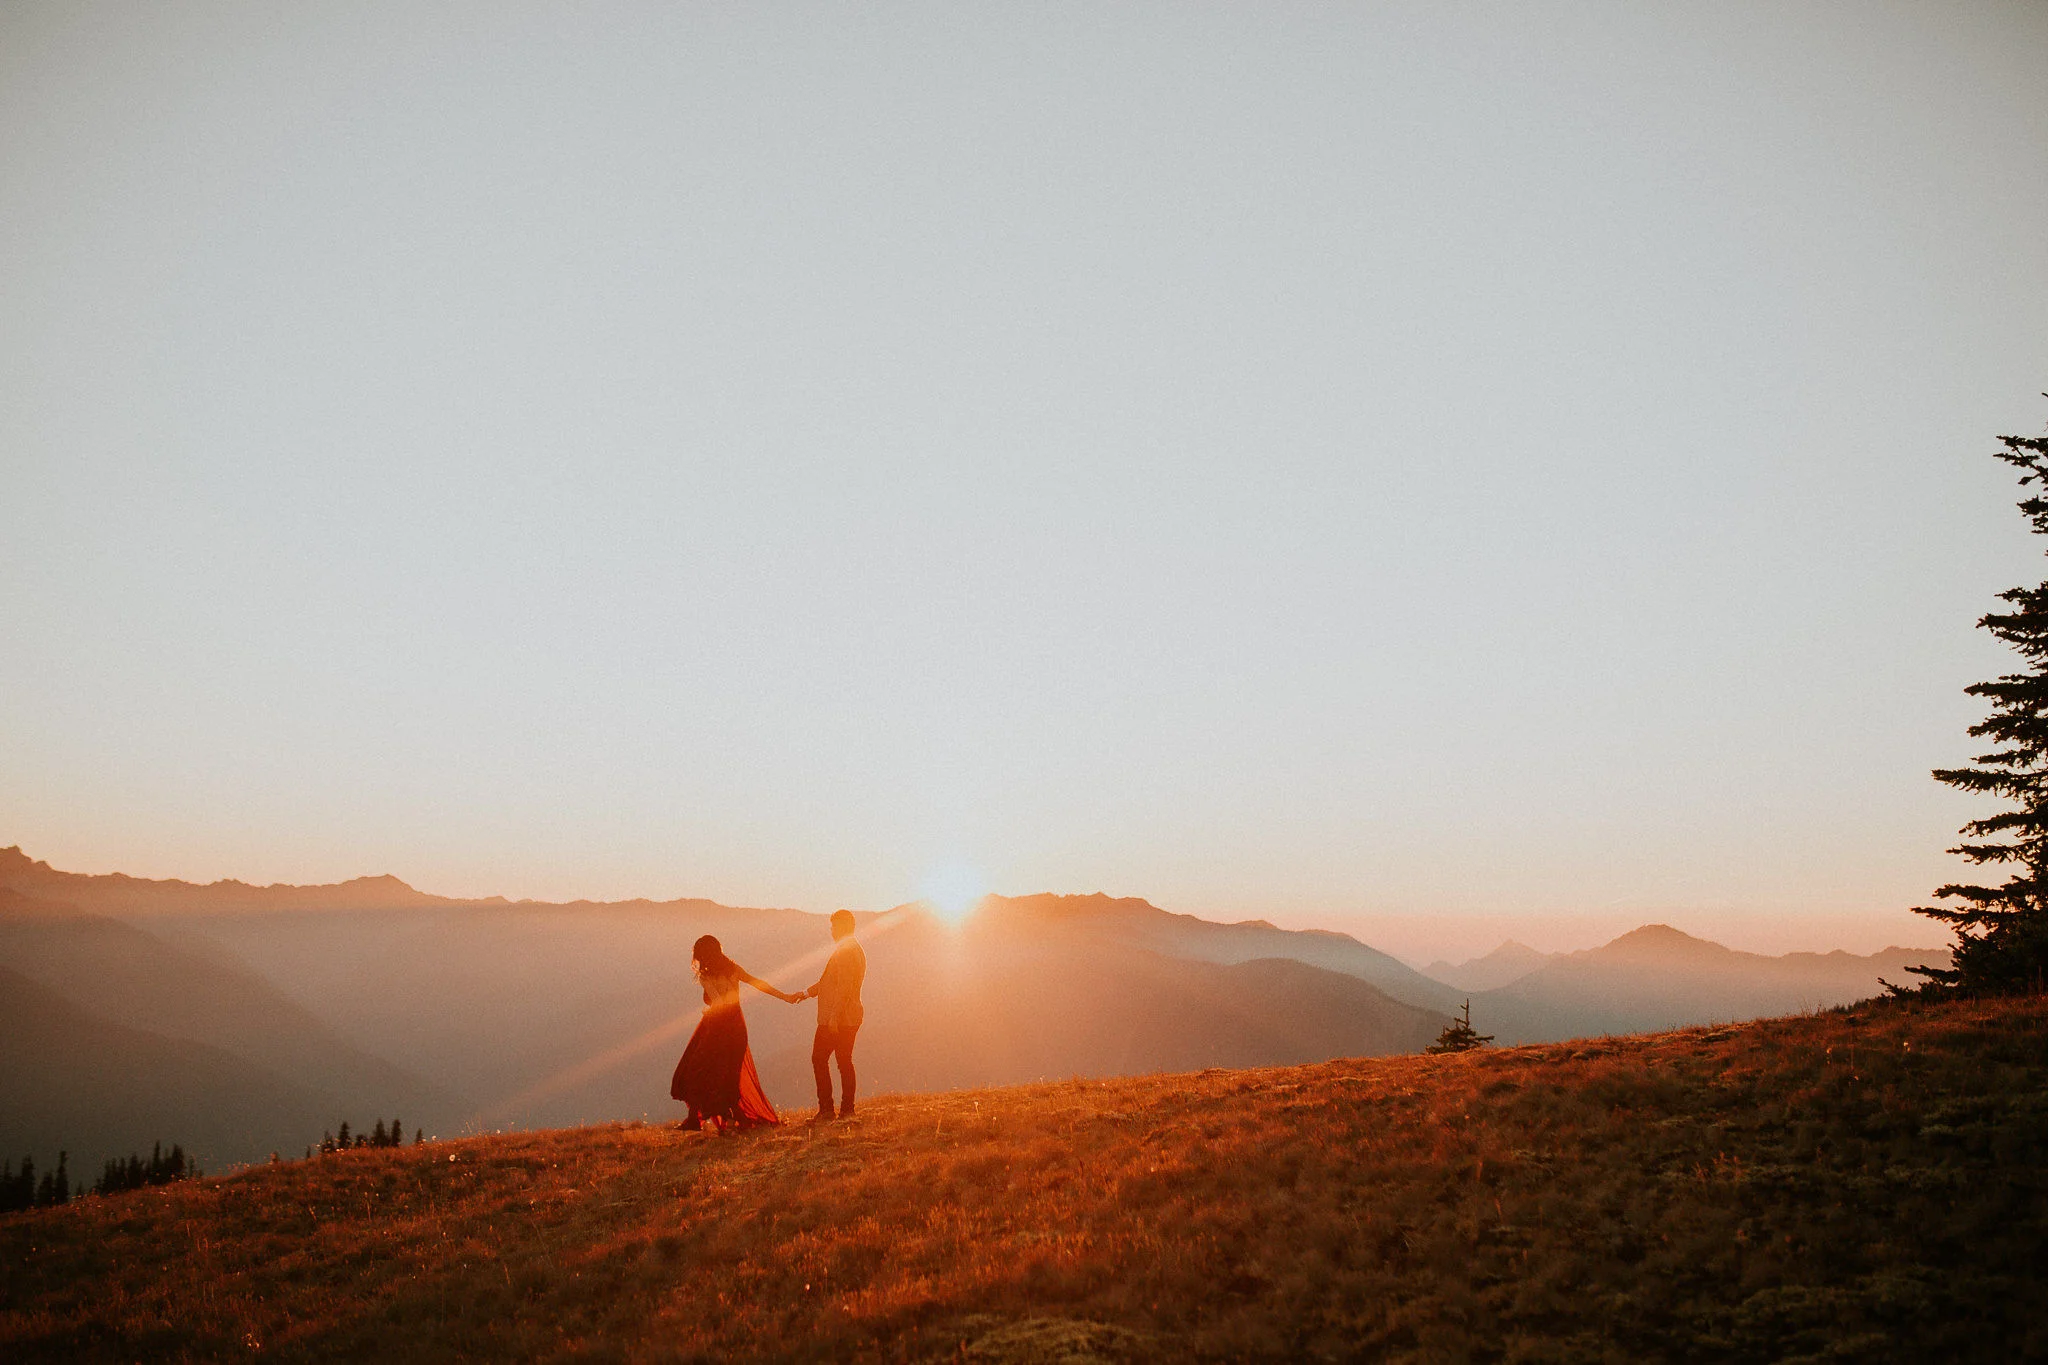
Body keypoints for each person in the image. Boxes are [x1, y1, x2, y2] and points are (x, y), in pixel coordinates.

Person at [671, 934, 801, 1132]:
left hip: (717, 1027)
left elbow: (719, 1003)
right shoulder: (733, 968)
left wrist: (708, 1011)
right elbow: (758, 983)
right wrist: (785, 997)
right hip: (737, 1026)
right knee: (729, 1073)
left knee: (694, 1069)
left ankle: (698, 1119)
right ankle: (731, 1118)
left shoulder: (707, 976)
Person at [793, 909, 866, 1120]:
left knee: (819, 1058)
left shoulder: (845, 951)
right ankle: (847, 1109)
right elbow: (829, 982)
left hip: (837, 1018)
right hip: (852, 1015)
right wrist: (806, 993)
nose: (831, 931)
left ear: (842, 927)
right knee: (844, 1060)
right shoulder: (856, 949)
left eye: (833, 927)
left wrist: (833, 1016)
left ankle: (826, 1110)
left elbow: (843, 986)